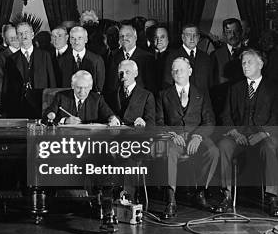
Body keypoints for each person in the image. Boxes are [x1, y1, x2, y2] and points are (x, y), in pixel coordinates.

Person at [216, 49, 278, 216]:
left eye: (249, 62)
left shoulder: (273, 88)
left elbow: (275, 117)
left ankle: (273, 198)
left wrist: (263, 134)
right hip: (239, 136)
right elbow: (226, 115)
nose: (245, 65)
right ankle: (226, 196)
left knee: (270, 147)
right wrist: (235, 134)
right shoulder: (235, 88)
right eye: (243, 62)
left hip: (263, 136)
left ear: (261, 64)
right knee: (223, 146)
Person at [156, 57, 219, 219]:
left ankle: (200, 193)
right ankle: (171, 200)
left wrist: (198, 136)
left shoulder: (201, 94)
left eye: (181, 69)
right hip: (175, 138)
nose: (178, 73)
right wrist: (172, 134)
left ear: (190, 72)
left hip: (197, 136)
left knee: (213, 152)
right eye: (175, 70)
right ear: (171, 73)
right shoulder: (163, 95)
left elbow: (210, 121)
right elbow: (159, 122)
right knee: (170, 153)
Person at [1, 22, 55, 118]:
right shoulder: (11, 59)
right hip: (18, 106)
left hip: (41, 103)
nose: (23, 36)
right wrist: (4, 109)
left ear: (32, 34)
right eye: (20, 33)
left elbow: (52, 81)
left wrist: (53, 104)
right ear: (17, 36)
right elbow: (6, 87)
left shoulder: (45, 55)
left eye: (26, 32)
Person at [44, 70, 119, 125]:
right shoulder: (61, 96)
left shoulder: (97, 99)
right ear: (72, 86)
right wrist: (65, 120)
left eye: (85, 88)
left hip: (90, 139)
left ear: (91, 87)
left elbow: (110, 115)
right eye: (79, 87)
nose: (82, 92)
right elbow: (45, 118)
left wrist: (112, 119)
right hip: (65, 138)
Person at [105, 24, 156, 94]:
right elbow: (110, 85)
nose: (124, 38)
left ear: (135, 37)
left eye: (128, 35)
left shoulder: (147, 58)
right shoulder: (113, 57)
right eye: (121, 36)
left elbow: (151, 87)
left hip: (139, 101)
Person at [163, 24, 213, 92]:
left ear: (198, 37)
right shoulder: (172, 57)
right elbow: (168, 84)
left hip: (203, 100)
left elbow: (210, 84)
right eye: (188, 35)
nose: (192, 38)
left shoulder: (205, 57)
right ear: (183, 37)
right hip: (182, 100)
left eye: (195, 35)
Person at [105, 60, 155, 127]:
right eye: (120, 72)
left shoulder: (147, 95)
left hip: (136, 135)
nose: (123, 76)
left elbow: (151, 122)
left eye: (127, 72)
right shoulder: (111, 95)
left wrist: (144, 123)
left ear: (136, 73)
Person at [57, 26, 105, 91]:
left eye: (80, 38)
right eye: (73, 38)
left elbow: (99, 88)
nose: (76, 42)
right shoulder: (61, 60)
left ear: (86, 39)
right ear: (70, 40)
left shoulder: (97, 60)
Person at [0, 25, 19, 110]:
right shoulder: (0, 57)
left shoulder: (28, 52)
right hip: (10, 98)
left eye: (16, 36)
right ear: (6, 40)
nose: (15, 39)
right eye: (11, 38)